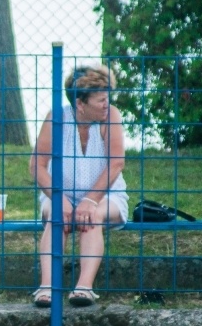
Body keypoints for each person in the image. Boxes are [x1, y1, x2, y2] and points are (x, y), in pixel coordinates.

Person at [29, 65, 128, 308]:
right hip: (61, 195)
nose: (107, 104)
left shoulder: (111, 116)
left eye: (108, 98)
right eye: (101, 100)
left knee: (91, 217)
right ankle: (47, 287)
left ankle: (84, 288)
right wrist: (58, 198)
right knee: (56, 218)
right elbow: (36, 166)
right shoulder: (56, 118)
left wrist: (91, 200)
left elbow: (116, 164)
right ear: (80, 104)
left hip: (106, 196)